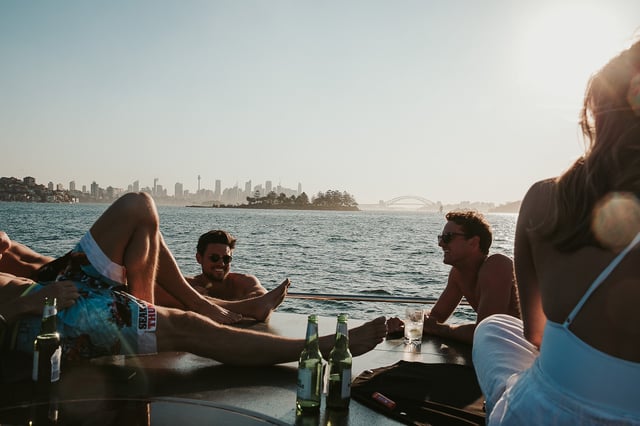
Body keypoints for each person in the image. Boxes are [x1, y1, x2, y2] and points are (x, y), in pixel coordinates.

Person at [0, 193, 387, 364]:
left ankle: (183, 308)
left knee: (140, 208)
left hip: (56, 281)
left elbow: (27, 261)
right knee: (187, 326)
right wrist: (24, 305)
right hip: (38, 319)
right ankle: (316, 350)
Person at [473, 40, 640, 424]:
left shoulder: (543, 199)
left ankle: (502, 397)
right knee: (499, 326)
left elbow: (535, 334)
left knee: (495, 330)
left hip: (534, 411)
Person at [387, 210, 520, 344]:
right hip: (504, 348)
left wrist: (439, 329)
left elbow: (487, 332)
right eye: (441, 237)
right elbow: (437, 315)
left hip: (526, 353)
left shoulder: (497, 265)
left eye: (448, 237)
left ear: (473, 242)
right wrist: (408, 323)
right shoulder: (459, 273)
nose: (441, 244)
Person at [186, 230, 267, 300]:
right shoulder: (188, 285)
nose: (221, 263)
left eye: (226, 259)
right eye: (214, 258)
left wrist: (203, 301)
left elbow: (264, 298)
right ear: (199, 258)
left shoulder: (244, 283)